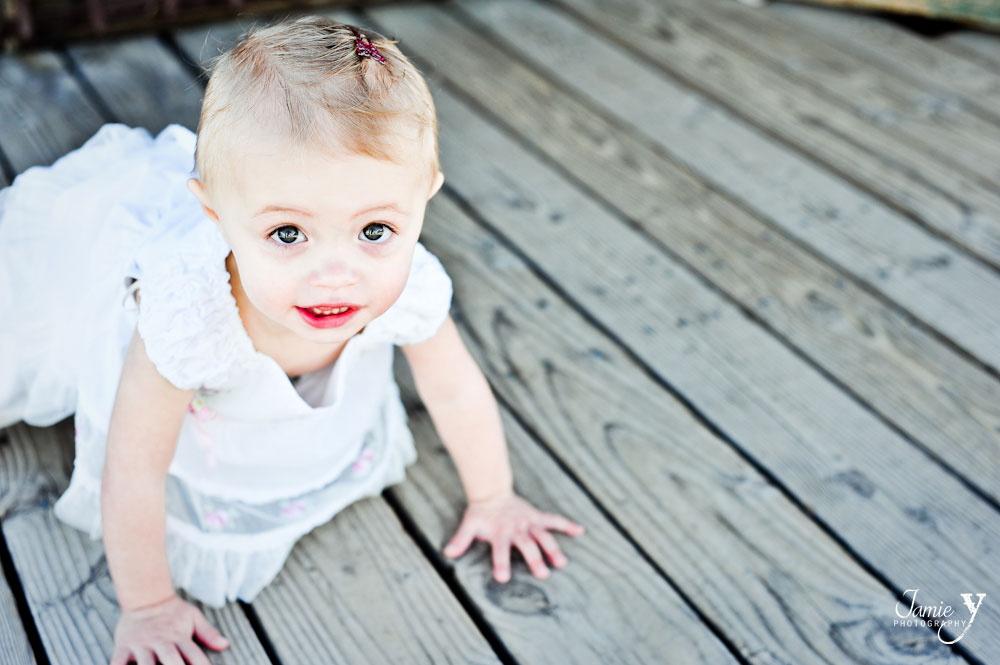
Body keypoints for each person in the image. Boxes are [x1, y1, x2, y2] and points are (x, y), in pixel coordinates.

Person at [0, 16, 585, 665]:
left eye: (374, 230)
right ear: (216, 218)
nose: (336, 274)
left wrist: (494, 496)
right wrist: (148, 605)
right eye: (287, 234)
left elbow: (453, 388)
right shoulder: (187, 312)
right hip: (106, 294)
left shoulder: (408, 282)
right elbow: (134, 467)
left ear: (423, 200)